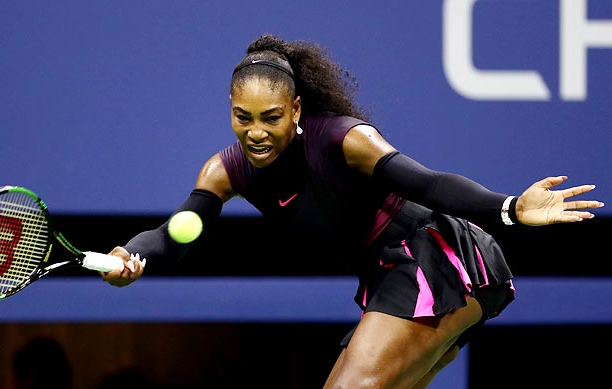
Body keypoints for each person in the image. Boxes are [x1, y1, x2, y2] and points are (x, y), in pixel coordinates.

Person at [101, 34, 604, 388]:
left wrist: (511, 208)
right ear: (230, 110)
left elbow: (429, 185)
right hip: (385, 279)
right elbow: (175, 234)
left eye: (271, 117)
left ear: (296, 109)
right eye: (242, 117)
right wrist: (131, 254)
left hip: (434, 262)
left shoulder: (345, 139)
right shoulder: (224, 171)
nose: (256, 131)